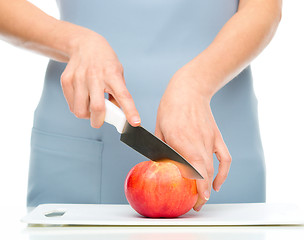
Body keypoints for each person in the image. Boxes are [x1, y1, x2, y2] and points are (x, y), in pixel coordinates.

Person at [0, 0, 281, 212]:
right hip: (80, 137)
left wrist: (197, 82)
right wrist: (77, 42)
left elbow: (264, 8)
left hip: (218, 139)